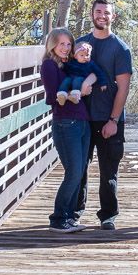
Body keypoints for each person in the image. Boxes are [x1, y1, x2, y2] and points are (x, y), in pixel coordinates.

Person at [76, 0, 133, 230]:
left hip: (108, 118)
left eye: (106, 13)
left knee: (109, 170)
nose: (102, 16)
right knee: (79, 168)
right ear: (92, 14)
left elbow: (124, 87)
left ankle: (107, 215)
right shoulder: (80, 44)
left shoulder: (120, 48)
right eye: (98, 12)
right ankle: (75, 212)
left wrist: (113, 120)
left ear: (113, 17)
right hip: (82, 118)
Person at [40, 28, 94, 234]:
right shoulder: (49, 65)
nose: (65, 48)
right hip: (65, 124)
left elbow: (91, 72)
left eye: (69, 44)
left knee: (79, 172)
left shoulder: (70, 65)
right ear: (52, 44)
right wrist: (77, 91)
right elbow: (53, 96)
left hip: (82, 122)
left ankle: (69, 216)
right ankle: (58, 218)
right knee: (73, 173)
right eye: (61, 44)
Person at [56, 41, 110, 106]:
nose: (85, 57)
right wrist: (63, 63)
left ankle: (75, 96)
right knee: (66, 81)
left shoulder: (91, 64)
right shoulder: (72, 62)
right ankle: (62, 95)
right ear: (76, 56)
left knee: (77, 80)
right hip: (71, 77)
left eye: (87, 55)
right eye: (82, 55)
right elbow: (66, 68)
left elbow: (99, 73)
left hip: (81, 79)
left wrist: (103, 83)